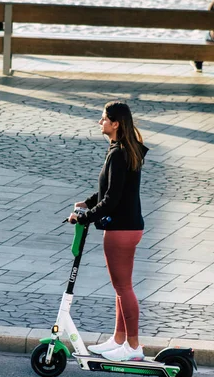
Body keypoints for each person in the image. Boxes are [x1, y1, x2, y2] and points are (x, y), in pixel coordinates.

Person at [67, 101, 149, 362]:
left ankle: (133, 347)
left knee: (123, 287)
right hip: (130, 226)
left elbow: (112, 199)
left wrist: (86, 217)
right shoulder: (125, 150)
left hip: (121, 228)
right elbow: (112, 189)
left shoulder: (118, 153)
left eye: (103, 119)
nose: (99, 122)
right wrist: (88, 203)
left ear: (115, 124)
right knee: (121, 287)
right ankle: (118, 339)